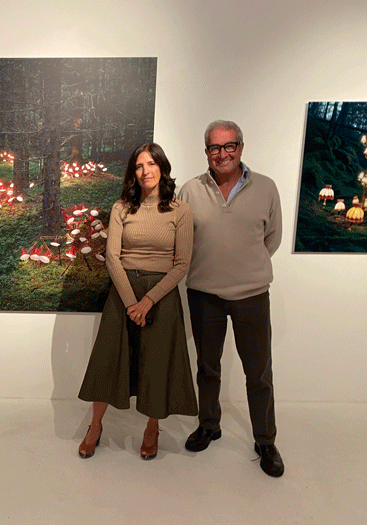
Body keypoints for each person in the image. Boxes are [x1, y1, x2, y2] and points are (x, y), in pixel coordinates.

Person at [178, 120, 284, 477]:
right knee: (207, 367)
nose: (222, 154)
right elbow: (184, 240)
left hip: (251, 296)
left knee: (259, 373)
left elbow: (272, 239)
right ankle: (209, 424)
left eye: (229, 146)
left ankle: (265, 440)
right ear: (206, 151)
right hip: (203, 294)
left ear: (241, 147)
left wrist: (245, 268)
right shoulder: (190, 190)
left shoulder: (266, 188)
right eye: (215, 147)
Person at [78, 143, 197, 460]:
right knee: (108, 361)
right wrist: (132, 302)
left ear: (162, 168)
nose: (146, 171)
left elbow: (182, 264)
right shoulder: (121, 209)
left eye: (151, 164)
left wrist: (147, 301)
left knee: (155, 363)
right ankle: (95, 426)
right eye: (139, 165)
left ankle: (152, 427)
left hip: (161, 296)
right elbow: (112, 258)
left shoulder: (181, 211)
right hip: (123, 293)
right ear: (134, 172)